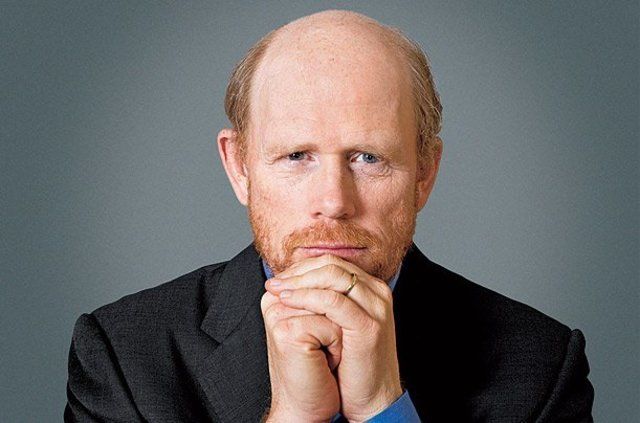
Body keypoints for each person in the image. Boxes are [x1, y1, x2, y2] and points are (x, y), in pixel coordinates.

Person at [64, 10, 594, 422]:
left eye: (369, 158)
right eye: (297, 156)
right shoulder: (123, 357)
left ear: (424, 173)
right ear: (239, 168)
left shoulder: (541, 367)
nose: (335, 201)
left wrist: (384, 409)